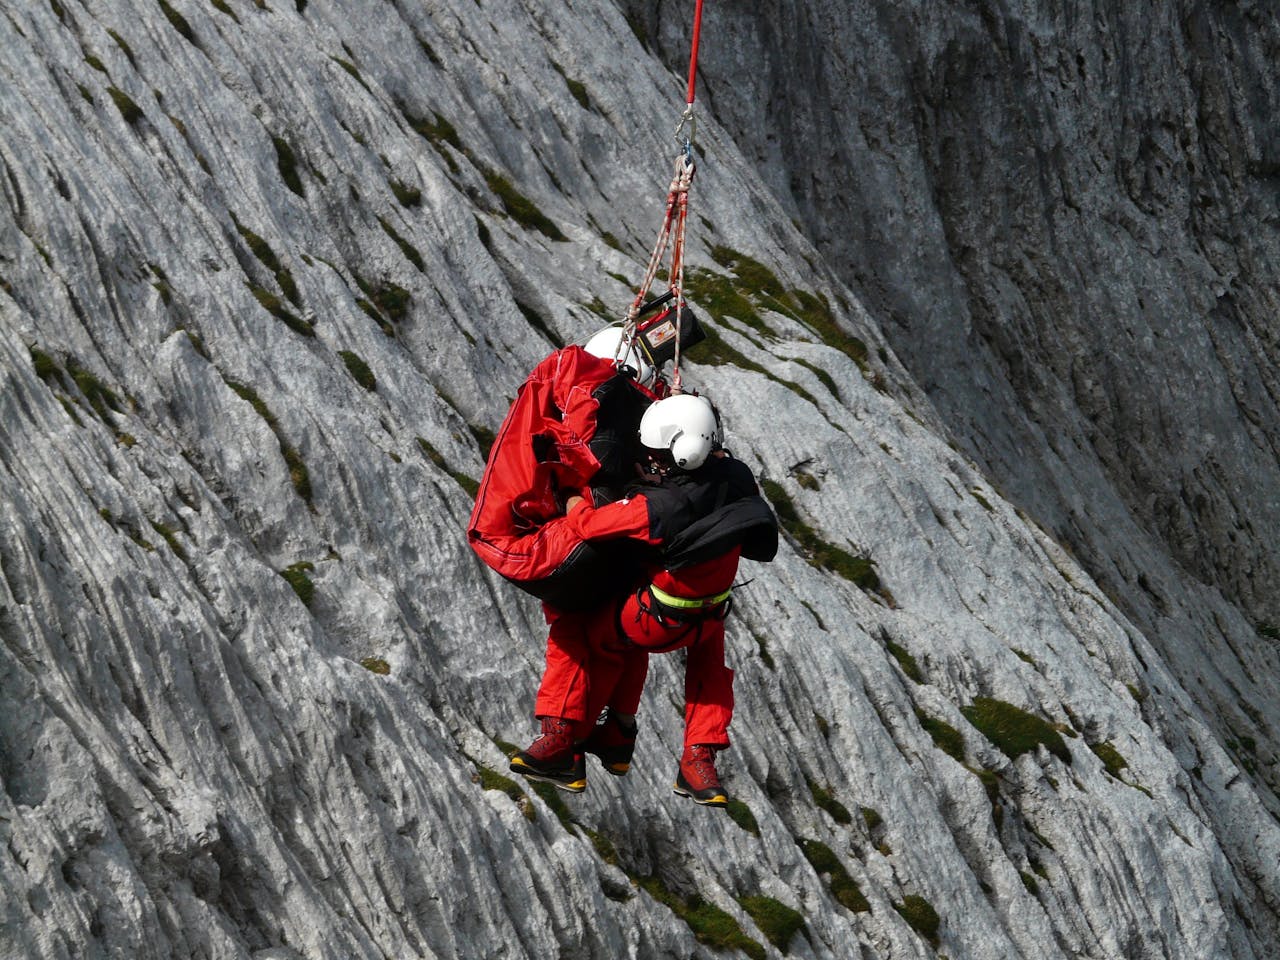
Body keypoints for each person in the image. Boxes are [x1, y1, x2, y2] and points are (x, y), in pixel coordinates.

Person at [509, 393, 778, 805]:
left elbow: (589, 525)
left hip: (654, 621)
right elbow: (699, 469)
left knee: (577, 629)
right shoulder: (736, 476)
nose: (651, 461)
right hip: (709, 616)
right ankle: (696, 760)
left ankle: (563, 740)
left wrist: (572, 493)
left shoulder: (658, 509)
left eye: (657, 455)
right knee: (707, 671)